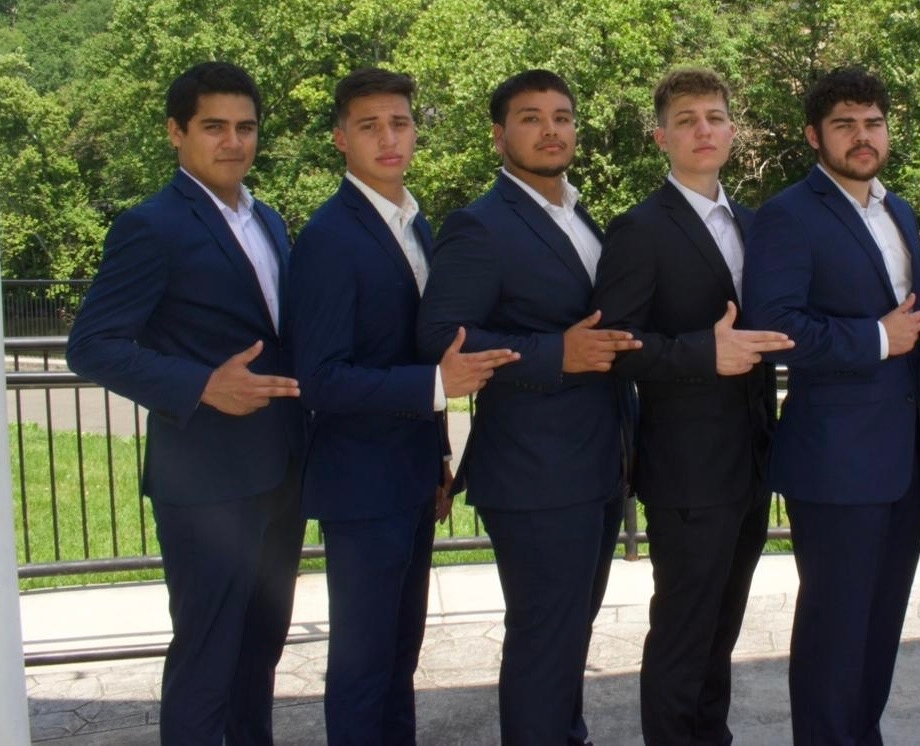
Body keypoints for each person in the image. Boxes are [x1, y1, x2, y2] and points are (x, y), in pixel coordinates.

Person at [67, 61, 305, 746]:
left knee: (259, 655)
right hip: (205, 485)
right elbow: (91, 345)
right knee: (207, 659)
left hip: (281, 475)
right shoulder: (153, 226)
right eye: (214, 127)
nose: (232, 142)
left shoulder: (270, 220)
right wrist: (200, 384)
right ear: (176, 133)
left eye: (245, 128)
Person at [286, 68, 518, 745]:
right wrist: (434, 387)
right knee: (363, 666)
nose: (388, 138)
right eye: (369, 126)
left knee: (398, 659)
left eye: (399, 123)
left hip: (413, 474)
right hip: (360, 486)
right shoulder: (331, 237)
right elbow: (321, 378)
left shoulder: (415, 224)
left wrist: (440, 458)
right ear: (340, 139)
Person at [416, 69, 640, 746]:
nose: (551, 130)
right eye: (532, 117)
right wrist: (553, 354)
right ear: (499, 135)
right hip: (535, 469)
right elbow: (439, 336)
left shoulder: (578, 213)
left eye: (563, 117)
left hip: (599, 460)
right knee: (546, 640)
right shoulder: (479, 225)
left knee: (572, 634)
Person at [742, 65, 920, 746]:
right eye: (844, 125)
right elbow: (773, 327)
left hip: (906, 458)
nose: (862, 137)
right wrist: (875, 338)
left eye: (873, 123)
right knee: (835, 629)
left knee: (881, 625)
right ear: (813, 136)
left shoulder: (900, 210)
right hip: (835, 461)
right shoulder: (786, 215)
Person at [591, 68, 793, 745]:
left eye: (714, 116)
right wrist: (702, 353)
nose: (703, 129)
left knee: (721, 630)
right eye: (686, 120)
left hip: (753, 461)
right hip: (686, 470)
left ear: (734, 131)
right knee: (683, 633)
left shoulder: (758, 224)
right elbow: (614, 348)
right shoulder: (639, 230)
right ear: (661, 138)